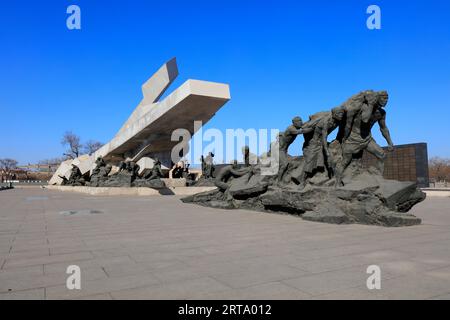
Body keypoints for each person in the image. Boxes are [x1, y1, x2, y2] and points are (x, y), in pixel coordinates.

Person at [335, 93, 394, 187]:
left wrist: (389, 142)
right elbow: (365, 119)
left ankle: (379, 179)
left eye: (387, 99)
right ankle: (337, 183)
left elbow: (383, 128)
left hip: (367, 139)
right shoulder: (363, 108)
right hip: (353, 139)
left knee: (382, 155)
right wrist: (344, 139)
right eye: (383, 98)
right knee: (345, 161)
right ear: (376, 99)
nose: (385, 101)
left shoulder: (382, 113)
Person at [293, 107, 345, 187]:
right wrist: (326, 150)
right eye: (339, 113)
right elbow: (324, 137)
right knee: (309, 162)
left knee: (331, 159)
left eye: (342, 113)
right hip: (315, 143)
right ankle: (302, 182)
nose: (341, 115)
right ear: (334, 114)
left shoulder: (337, 121)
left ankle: (335, 179)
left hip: (322, 143)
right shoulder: (326, 122)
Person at [277, 116, 304, 182]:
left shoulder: (295, 127)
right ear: (294, 123)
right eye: (299, 121)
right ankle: (279, 182)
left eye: (301, 120)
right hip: (279, 150)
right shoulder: (291, 129)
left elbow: (304, 126)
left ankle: (286, 179)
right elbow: (301, 132)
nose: (301, 122)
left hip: (284, 150)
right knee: (284, 164)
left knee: (292, 163)